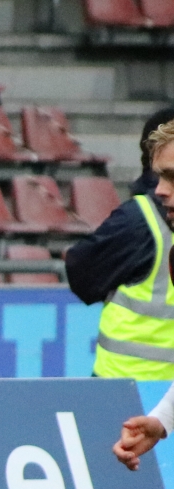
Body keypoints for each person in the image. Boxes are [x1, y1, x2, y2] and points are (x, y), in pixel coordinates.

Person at [70, 113, 174, 380]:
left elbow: (82, 276)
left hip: (125, 385)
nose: (162, 190)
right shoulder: (144, 218)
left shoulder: (139, 220)